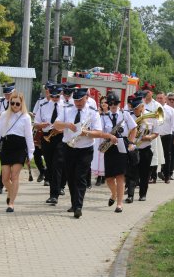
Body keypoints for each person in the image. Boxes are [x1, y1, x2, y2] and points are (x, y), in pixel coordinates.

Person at [53, 88, 116, 218]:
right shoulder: (66, 109)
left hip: (85, 149)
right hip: (69, 147)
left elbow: (98, 132)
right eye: (76, 100)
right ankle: (74, 203)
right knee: (70, 177)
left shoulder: (93, 112)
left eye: (80, 100)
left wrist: (85, 133)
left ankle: (78, 206)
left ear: (86, 98)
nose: (78, 103)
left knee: (80, 177)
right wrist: (67, 125)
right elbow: (56, 125)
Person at [0, 91, 34, 212]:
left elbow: (29, 136)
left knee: (14, 176)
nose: (15, 105)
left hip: (20, 147)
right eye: (12, 103)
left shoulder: (26, 117)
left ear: (22, 104)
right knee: (5, 178)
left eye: (17, 104)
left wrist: (30, 153)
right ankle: (11, 192)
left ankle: (11, 203)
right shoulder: (4, 114)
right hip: (6, 147)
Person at [100, 91, 137, 212]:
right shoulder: (104, 116)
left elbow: (134, 128)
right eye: (111, 103)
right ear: (108, 104)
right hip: (109, 146)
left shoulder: (125, 114)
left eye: (115, 103)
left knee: (120, 176)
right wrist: (108, 136)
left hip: (122, 145)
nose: (113, 105)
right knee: (109, 178)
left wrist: (131, 142)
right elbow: (99, 131)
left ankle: (119, 204)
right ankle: (114, 194)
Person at [125, 91, 159, 203]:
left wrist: (149, 137)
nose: (135, 111)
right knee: (131, 173)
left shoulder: (151, 115)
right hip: (133, 148)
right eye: (133, 109)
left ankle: (143, 194)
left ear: (142, 106)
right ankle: (130, 195)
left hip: (145, 149)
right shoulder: (130, 116)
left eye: (137, 108)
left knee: (144, 174)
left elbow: (156, 132)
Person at [34, 85, 65, 205]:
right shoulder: (43, 106)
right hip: (47, 137)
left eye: (57, 96)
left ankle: (54, 195)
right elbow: (36, 123)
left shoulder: (66, 107)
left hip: (60, 137)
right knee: (51, 166)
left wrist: (61, 129)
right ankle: (55, 189)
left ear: (60, 94)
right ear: (49, 95)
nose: (55, 98)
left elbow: (72, 124)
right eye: (53, 96)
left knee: (57, 165)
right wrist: (41, 125)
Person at [0, 83, 15, 194]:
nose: (7, 96)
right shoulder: (0, 101)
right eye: (5, 94)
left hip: (13, 135)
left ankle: (0, 184)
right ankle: (5, 181)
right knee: (4, 160)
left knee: (8, 161)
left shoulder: (17, 101)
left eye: (9, 94)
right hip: (1, 133)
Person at [156, 92, 174, 183]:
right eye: (157, 98)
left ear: (165, 99)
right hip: (156, 135)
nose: (159, 100)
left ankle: (166, 176)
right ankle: (153, 176)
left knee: (166, 156)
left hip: (166, 136)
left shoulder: (170, 110)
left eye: (161, 98)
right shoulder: (154, 109)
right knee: (154, 155)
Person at [92, 96, 109, 186]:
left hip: (106, 138)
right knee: (98, 157)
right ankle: (98, 176)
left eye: (105, 102)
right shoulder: (98, 114)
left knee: (104, 157)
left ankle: (104, 176)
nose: (103, 104)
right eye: (102, 103)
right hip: (99, 138)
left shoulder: (110, 114)